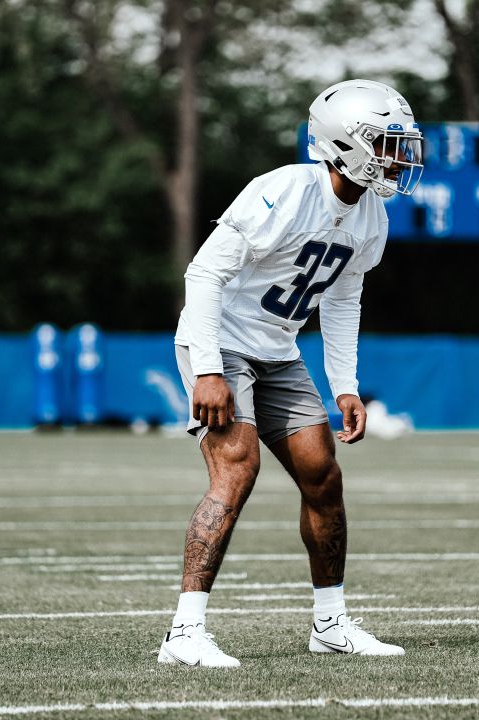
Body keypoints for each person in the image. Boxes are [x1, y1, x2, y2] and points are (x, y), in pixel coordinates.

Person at [159, 79, 424, 667]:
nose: (397, 157)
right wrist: (207, 370)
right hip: (220, 344)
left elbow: (342, 300)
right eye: (385, 143)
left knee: (322, 474)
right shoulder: (282, 190)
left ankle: (330, 624)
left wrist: (346, 385)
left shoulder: (371, 217)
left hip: (279, 350)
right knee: (238, 468)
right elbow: (203, 277)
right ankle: (184, 634)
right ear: (343, 143)